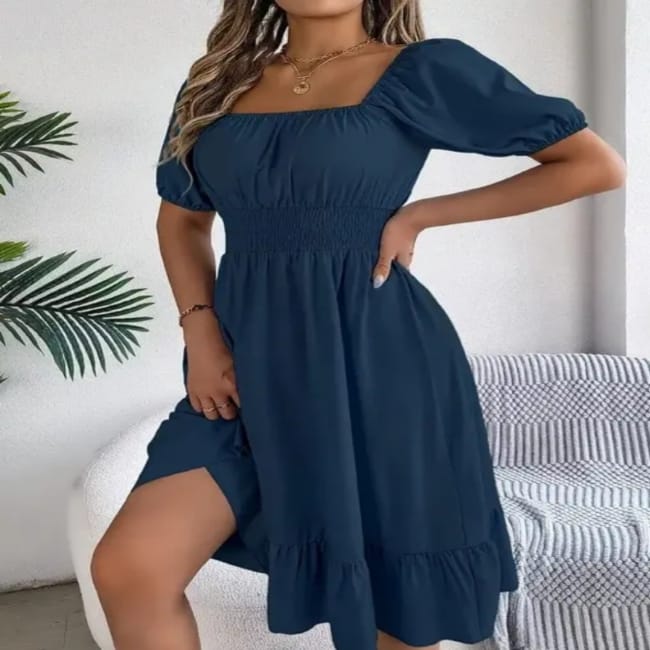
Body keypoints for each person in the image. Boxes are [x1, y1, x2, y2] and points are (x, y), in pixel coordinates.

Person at [89, 1, 626, 649]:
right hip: (243, 369)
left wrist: (421, 215)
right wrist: (200, 333)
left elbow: (593, 164)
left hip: (379, 362)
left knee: (397, 610)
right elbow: (181, 221)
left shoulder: (424, 70)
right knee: (130, 568)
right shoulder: (217, 82)